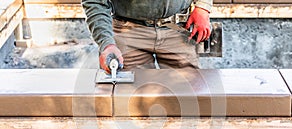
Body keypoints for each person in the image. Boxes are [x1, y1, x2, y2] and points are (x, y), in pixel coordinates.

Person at [82, 0, 212, 73]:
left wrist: (203, 7)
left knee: (190, 96)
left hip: (179, 29)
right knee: (127, 99)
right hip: (129, 32)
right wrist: (107, 44)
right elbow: (95, 2)